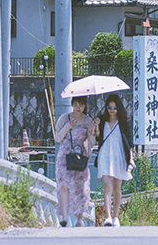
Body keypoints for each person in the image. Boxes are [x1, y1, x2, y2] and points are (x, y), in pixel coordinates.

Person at [92, 93, 134, 227]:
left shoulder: (124, 121)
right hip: (105, 154)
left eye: (114, 108)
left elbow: (129, 141)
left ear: (119, 109)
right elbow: (98, 138)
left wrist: (131, 159)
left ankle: (116, 217)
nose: (112, 110)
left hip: (119, 155)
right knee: (107, 186)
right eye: (109, 107)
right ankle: (108, 217)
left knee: (117, 188)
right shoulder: (102, 119)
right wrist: (96, 126)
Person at [54, 95, 95, 227]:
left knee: (81, 187)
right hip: (64, 157)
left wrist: (93, 132)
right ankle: (65, 217)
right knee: (64, 185)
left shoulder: (88, 120)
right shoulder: (64, 118)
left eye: (81, 104)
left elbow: (91, 142)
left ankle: (80, 217)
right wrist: (68, 126)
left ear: (84, 106)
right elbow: (57, 138)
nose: (78, 107)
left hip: (80, 156)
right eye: (76, 104)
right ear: (72, 104)